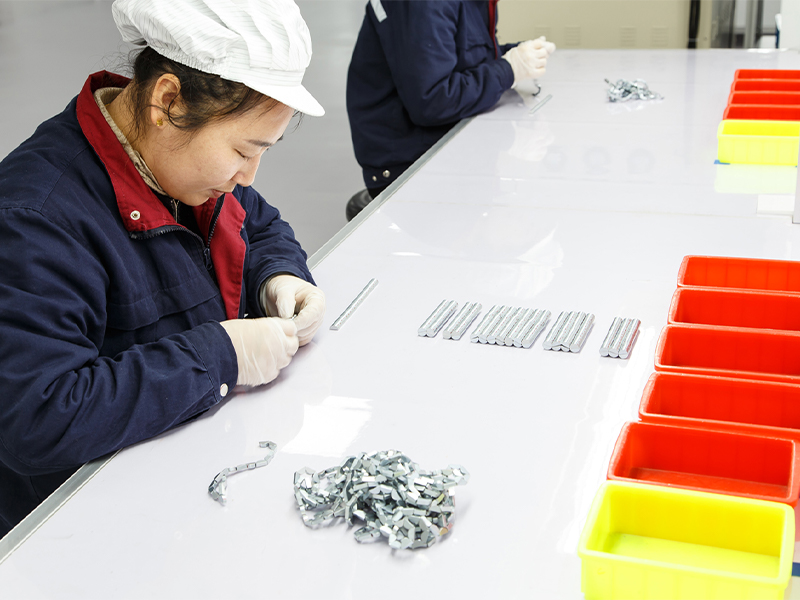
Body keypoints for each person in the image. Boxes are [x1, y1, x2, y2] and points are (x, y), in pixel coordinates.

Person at [0, 0, 327, 538]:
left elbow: (258, 223)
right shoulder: (37, 220)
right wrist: (220, 356)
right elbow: (37, 419)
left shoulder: (175, 164)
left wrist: (277, 275)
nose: (248, 176)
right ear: (168, 100)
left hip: (186, 474)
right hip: (85, 528)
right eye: (243, 150)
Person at [345, 0, 555, 220]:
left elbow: (459, 60)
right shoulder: (427, 4)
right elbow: (433, 101)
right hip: (409, 167)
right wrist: (508, 69)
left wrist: (518, 56)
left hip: (440, 141)